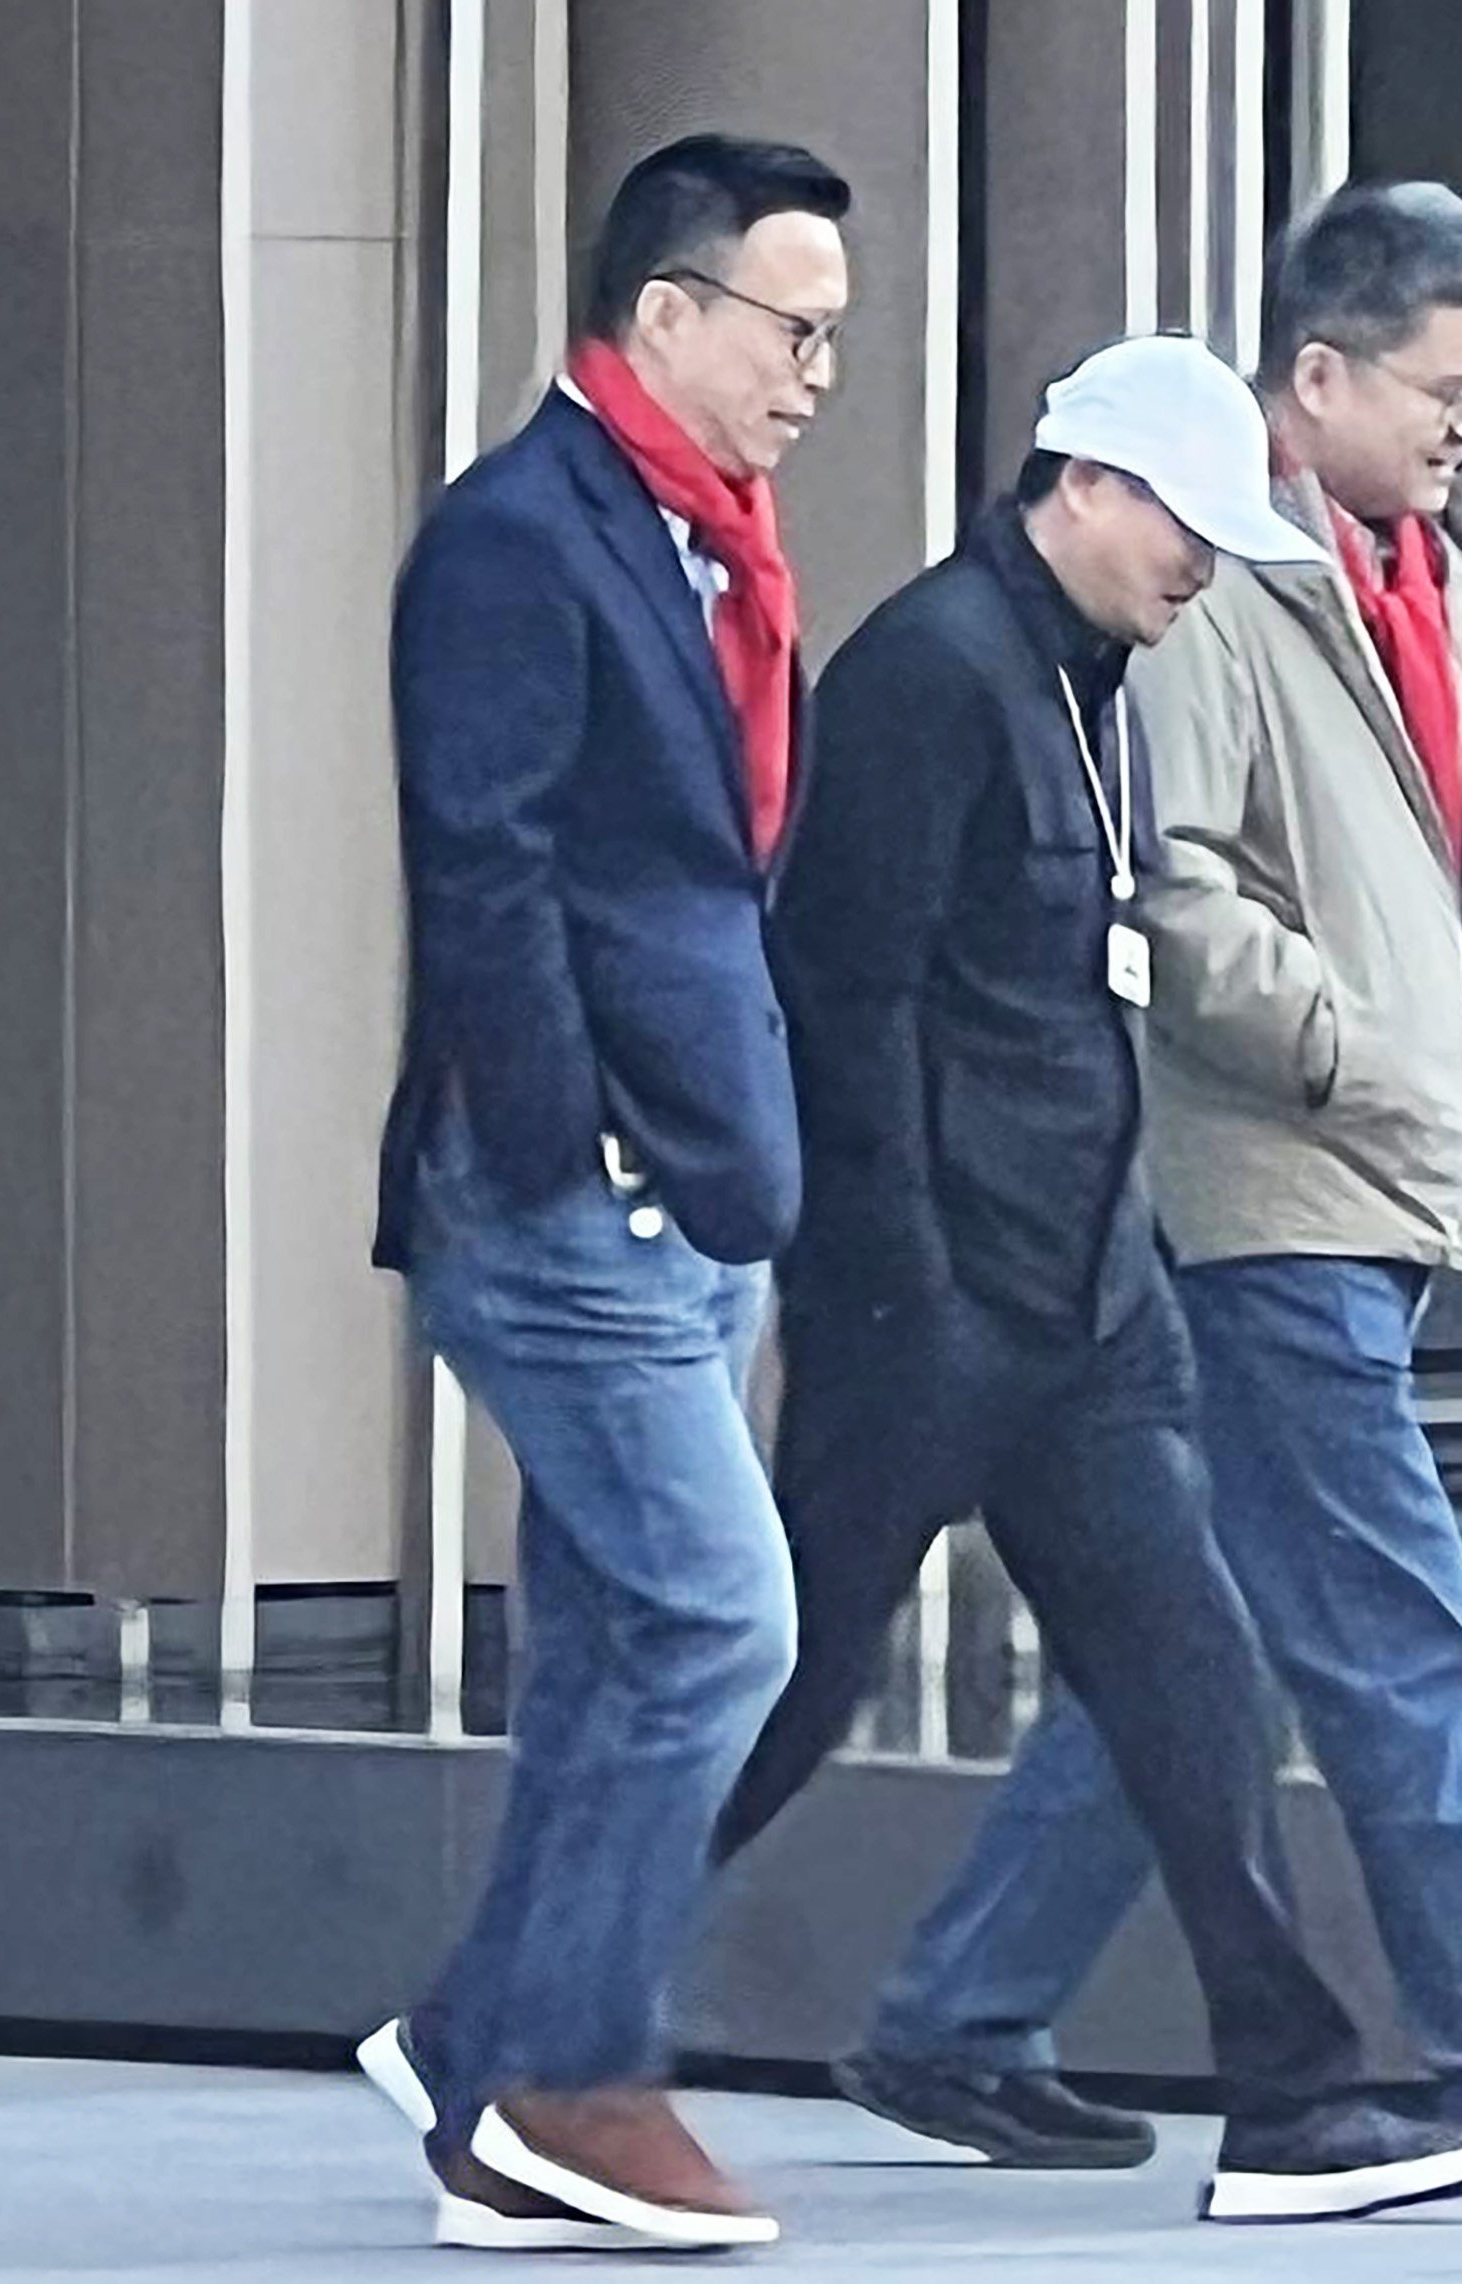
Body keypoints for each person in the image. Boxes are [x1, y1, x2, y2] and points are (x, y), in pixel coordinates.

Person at [841, 183, 1462, 2192]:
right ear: (1313, 374)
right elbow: (1180, 892)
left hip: (1371, 1184)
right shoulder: (1219, 581)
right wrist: (1365, 1053)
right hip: (1269, 1201)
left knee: (1202, 1651)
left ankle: (955, 2012)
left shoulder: (1415, 562)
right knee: (1394, 1627)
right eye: (1445, 390)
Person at [708, 334, 1462, 2225]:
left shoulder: (1087, 675)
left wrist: (1093, 1272)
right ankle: (508, 2012)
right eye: (1181, 526)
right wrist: (899, 1284)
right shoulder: (935, 673)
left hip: (1079, 1299)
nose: (1200, 571)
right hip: (937, 1303)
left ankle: (1299, 2103)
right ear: (1082, 485)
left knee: (1193, 1679)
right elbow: (849, 1002)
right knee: (790, 1680)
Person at [348, 132, 853, 2255]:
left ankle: (490, 2039)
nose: (819, 372)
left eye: (837, 334)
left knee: (616, 1643)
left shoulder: (699, 536)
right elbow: (490, 868)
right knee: (724, 1617)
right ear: (666, 313)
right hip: (568, 1197)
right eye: (792, 327)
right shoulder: (520, 542)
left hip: (683, 1194)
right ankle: (565, 2076)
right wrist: (592, 1153)